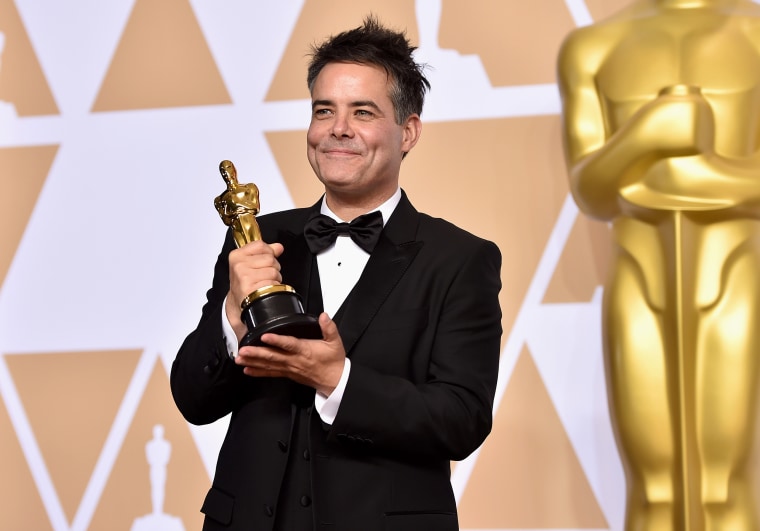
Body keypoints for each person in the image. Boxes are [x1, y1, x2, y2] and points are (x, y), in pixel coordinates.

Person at [171, 15, 502, 531]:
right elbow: (193, 399)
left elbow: (462, 420)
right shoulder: (258, 242)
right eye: (323, 110)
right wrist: (232, 317)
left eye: (362, 112)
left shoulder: (460, 258)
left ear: (408, 131)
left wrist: (337, 380)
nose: (337, 129)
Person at [557, 1, 760, 529]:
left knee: (724, 485)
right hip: (640, 273)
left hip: (730, 271)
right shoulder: (592, 48)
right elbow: (592, 190)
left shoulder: (754, 36)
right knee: (653, 487)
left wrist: (698, 177)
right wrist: (647, 134)